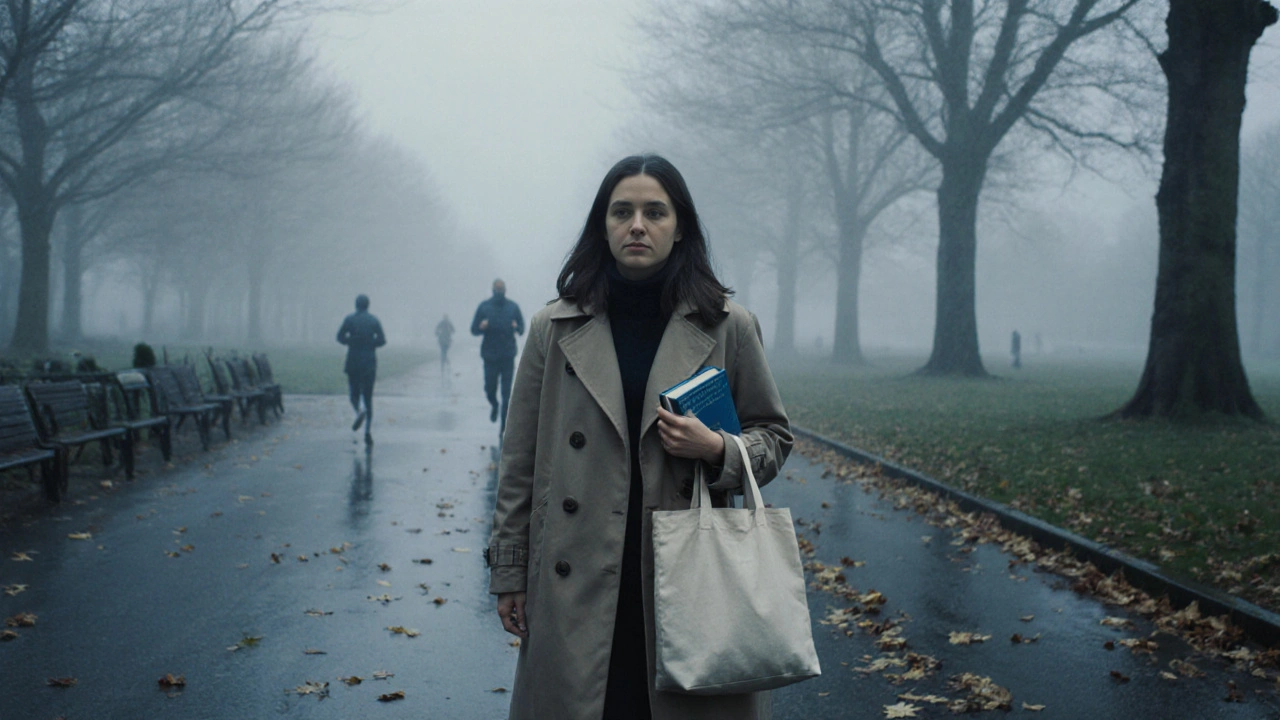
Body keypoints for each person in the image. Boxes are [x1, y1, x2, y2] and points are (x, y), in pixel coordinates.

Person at [486, 154, 792, 720]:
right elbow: (520, 462)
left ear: (680, 230)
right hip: (575, 577)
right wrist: (509, 570)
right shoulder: (552, 328)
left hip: (689, 573)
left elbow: (773, 435)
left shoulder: (727, 325)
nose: (637, 225)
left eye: (656, 212)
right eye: (621, 211)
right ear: (601, 227)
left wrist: (719, 449)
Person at [470, 279, 524, 432]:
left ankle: (503, 427)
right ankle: (494, 404)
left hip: (507, 356)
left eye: (501, 288)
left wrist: (517, 327)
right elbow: (473, 329)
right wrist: (481, 327)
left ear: (505, 290)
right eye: (497, 288)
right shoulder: (484, 307)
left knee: (506, 394)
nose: (499, 291)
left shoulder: (513, 307)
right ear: (493, 289)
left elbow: (522, 328)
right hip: (490, 356)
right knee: (489, 389)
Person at [336, 294, 386, 444]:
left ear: (356, 305)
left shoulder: (349, 319)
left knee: (353, 393)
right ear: (368, 305)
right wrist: (371, 343)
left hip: (353, 360)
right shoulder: (374, 320)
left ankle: (358, 411)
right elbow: (382, 340)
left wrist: (351, 341)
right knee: (368, 397)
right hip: (369, 361)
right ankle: (368, 431)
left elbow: (339, 337)